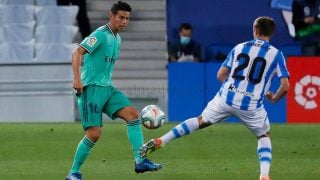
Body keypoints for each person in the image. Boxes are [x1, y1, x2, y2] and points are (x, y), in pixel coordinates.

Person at [140, 16, 290, 180]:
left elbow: (220, 75)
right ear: (272, 33)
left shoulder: (239, 47)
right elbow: (285, 86)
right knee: (263, 135)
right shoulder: (277, 55)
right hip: (251, 105)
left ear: (255, 30)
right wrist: (274, 98)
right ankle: (264, 175)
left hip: (226, 98)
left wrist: (234, 87)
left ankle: (162, 140)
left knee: (200, 120)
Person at [66, 1, 162, 180]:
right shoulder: (100, 35)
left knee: (133, 116)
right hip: (91, 89)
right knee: (94, 134)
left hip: (107, 89)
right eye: (121, 17)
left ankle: (140, 161)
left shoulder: (118, 38)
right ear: (111, 16)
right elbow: (77, 52)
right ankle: (73, 173)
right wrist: (77, 78)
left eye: (127, 19)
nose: (124, 22)